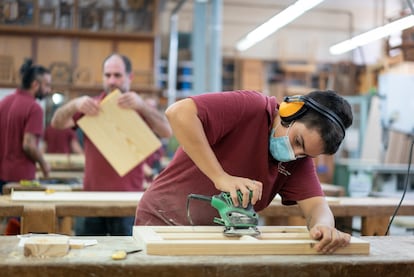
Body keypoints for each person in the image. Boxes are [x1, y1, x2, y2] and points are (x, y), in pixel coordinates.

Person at [135, 89, 353, 254]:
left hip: (215, 240)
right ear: (291, 111)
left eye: (304, 153)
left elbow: (317, 206)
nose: (294, 154)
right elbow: (178, 113)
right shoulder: (252, 107)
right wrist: (220, 177)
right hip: (162, 222)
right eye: (297, 141)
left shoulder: (297, 161)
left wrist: (324, 228)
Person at [51, 53, 172, 236]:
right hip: (92, 199)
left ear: (129, 77)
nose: (112, 81)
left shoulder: (137, 106)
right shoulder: (91, 106)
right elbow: (57, 123)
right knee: (88, 258)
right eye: (107, 75)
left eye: (117, 75)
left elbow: (167, 131)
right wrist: (75, 104)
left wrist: (142, 106)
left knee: (129, 259)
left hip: (129, 201)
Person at [0, 59, 52, 235]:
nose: (49, 90)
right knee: (23, 231)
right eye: (47, 85)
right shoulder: (34, 108)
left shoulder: (4, 102)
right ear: (35, 84)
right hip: (21, 179)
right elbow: (29, 145)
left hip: (2, 175)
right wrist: (44, 165)